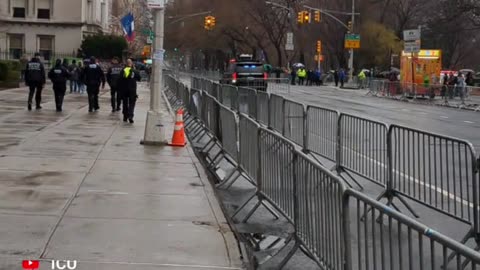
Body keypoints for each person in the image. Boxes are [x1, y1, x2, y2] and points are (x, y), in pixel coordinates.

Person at [119, 59, 141, 123]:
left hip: (124, 89)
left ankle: (125, 116)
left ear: (126, 64)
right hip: (132, 89)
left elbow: (120, 79)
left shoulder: (123, 70)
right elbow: (139, 78)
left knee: (125, 103)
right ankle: (130, 115)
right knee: (132, 103)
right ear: (131, 64)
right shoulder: (134, 70)